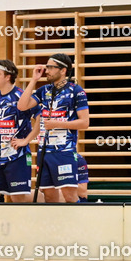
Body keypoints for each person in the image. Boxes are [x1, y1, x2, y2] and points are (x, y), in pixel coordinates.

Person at [17, 53, 88, 203]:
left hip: (64, 151)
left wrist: (57, 124)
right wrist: (33, 80)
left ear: (63, 70)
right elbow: (22, 106)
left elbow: (84, 123)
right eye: (46, 67)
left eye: (50, 67)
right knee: (48, 196)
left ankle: (78, 224)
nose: (46, 70)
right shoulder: (44, 90)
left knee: (69, 196)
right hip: (44, 151)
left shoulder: (76, 91)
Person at [0, 59, 37, 203]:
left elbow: (40, 119)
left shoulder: (21, 96)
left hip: (17, 157)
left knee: (18, 199)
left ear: (8, 77)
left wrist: (26, 140)